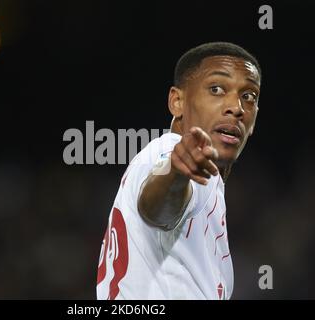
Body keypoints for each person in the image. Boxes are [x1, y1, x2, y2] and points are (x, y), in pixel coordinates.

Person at [96, 42, 261, 300]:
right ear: (177, 101)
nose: (236, 107)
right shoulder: (171, 154)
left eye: (248, 96)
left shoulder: (202, 176)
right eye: (216, 89)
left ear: (254, 121)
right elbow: (156, 208)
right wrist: (176, 173)